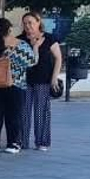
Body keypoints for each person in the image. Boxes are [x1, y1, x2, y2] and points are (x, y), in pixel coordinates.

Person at [0, 18, 36, 154]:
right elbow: (31, 62)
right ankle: (12, 143)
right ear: (10, 30)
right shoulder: (20, 45)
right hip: (15, 85)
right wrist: (35, 47)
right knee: (14, 114)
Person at [18, 12, 64, 150]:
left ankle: (42, 141)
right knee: (23, 111)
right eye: (25, 23)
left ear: (38, 22)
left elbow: (58, 58)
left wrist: (54, 78)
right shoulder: (20, 40)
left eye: (30, 23)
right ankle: (21, 141)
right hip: (24, 80)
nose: (27, 26)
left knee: (41, 111)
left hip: (43, 79)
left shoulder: (49, 39)